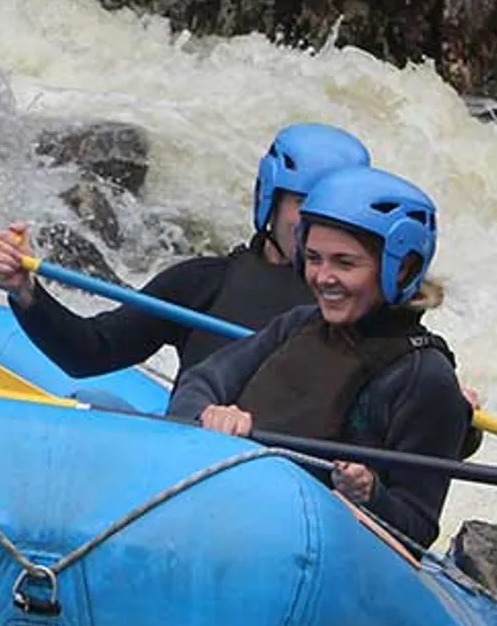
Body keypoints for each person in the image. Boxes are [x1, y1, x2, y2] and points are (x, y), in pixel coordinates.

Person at [165, 164, 475, 549]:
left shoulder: (425, 377)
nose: (323, 277)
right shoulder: (298, 324)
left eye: (345, 263)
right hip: (226, 509)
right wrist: (209, 415)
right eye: (314, 258)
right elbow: (200, 382)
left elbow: (418, 528)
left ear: (401, 268)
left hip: (305, 551)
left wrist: (369, 493)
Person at [0, 123, 370, 377]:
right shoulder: (204, 282)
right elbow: (90, 352)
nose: (321, 225)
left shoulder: (365, 308)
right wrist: (25, 292)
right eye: (307, 205)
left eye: (336, 211)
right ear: (271, 199)